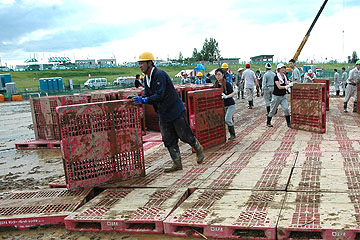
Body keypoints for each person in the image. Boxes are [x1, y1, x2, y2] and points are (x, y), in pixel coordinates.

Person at [133, 52, 204, 172]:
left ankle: (198, 148)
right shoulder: (146, 79)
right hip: (163, 113)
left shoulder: (160, 75)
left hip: (175, 110)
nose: (140, 66)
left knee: (184, 135)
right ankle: (177, 163)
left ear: (150, 63)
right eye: (139, 63)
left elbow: (159, 95)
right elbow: (148, 95)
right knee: (168, 139)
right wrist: (140, 98)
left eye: (142, 63)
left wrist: (145, 100)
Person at [267, 63, 293, 128]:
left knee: (286, 109)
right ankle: (268, 121)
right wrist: (287, 86)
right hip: (276, 96)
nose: (283, 69)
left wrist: (290, 84)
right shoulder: (276, 77)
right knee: (273, 110)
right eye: (282, 68)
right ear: (278, 69)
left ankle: (288, 123)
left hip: (283, 96)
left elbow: (287, 83)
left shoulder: (284, 77)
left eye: (284, 68)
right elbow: (279, 87)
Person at [213, 68, 236, 140]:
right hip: (222, 106)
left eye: (219, 74)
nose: (217, 76)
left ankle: (233, 134)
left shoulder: (227, 84)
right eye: (216, 74)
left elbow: (233, 93)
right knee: (223, 120)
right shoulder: (215, 85)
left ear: (223, 75)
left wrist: (226, 96)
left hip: (230, 105)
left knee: (227, 119)